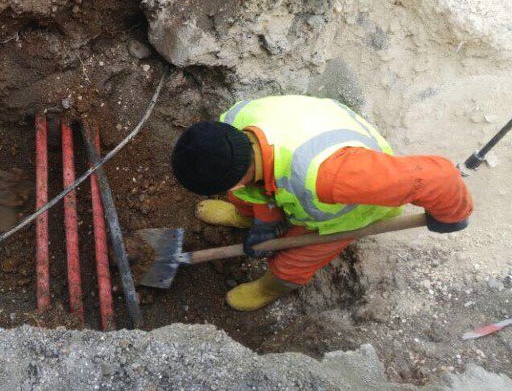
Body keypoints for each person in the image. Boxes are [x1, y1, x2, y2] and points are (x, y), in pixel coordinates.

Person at [171, 95, 472, 311]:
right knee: (246, 199)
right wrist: (264, 220)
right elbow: (256, 183)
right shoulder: (233, 122)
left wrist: (453, 215)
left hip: (348, 204)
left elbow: (439, 177)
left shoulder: (337, 176)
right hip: (312, 135)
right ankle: (246, 217)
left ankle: (268, 288)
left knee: (292, 260)